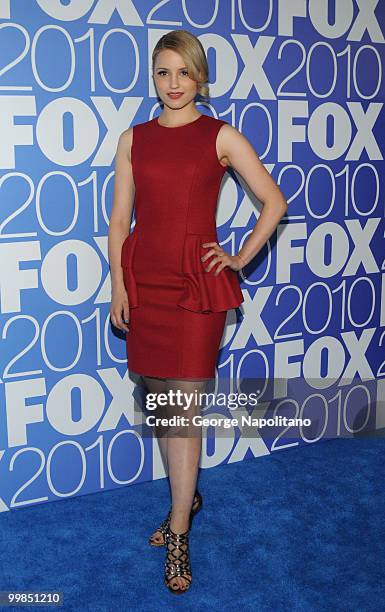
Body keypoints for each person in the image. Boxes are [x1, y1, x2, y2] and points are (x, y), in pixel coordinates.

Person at [108, 29, 288, 595]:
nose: (174, 84)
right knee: (162, 405)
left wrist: (237, 257)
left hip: (195, 288)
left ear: (200, 77)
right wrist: (120, 288)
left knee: (182, 410)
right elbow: (120, 222)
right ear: (153, 78)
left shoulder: (221, 136)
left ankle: (180, 529)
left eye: (184, 72)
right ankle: (187, 495)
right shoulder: (133, 139)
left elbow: (274, 201)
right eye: (163, 73)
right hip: (146, 282)